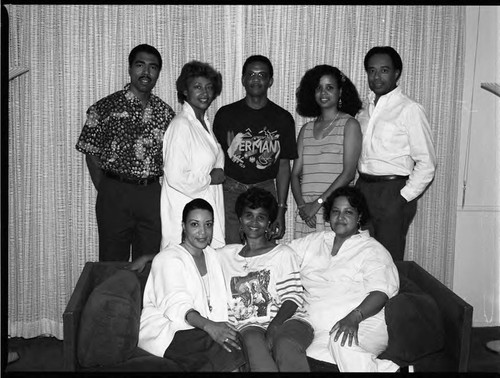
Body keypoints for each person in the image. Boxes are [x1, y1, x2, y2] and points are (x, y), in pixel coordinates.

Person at [76, 44, 175, 262]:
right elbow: (90, 152)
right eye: (140, 65)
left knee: (149, 263)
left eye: (153, 67)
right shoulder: (104, 108)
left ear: (158, 72)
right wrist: (106, 189)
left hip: (151, 194)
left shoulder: (166, 113)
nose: (146, 72)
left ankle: (142, 298)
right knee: (112, 262)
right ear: (130, 69)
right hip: (114, 192)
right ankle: (112, 297)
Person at [288, 186, 400, 372]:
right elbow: (282, 256)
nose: (341, 217)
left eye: (348, 212)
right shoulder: (314, 241)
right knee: (310, 359)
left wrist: (354, 317)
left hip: (362, 322)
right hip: (321, 329)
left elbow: (381, 292)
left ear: (359, 217)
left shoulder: (372, 250)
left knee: (340, 343)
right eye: (335, 211)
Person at [138, 199, 245, 372]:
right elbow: (177, 305)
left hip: (198, 328)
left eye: (208, 224)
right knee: (224, 349)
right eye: (195, 224)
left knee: (238, 341)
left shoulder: (212, 256)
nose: (203, 232)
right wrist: (211, 327)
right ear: (183, 226)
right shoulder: (168, 259)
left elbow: (241, 254)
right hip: (168, 330)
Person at [217, 187, 313, 372]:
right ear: (240, 219)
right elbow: (192, 253)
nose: (254, 222)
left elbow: (292, 298)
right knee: (252, 339)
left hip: (287, 321)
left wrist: (274, 328)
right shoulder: (225, 255)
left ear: (269, 222)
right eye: (248, 215)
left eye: (261, 217)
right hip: (249, 327)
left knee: (284, 344)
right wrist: (149, 257)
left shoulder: (282, 253)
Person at [356, 46, 436, 261]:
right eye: (371, 71)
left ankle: (392, 297)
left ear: (396, 73)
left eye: (384, 70)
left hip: (393, 191)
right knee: (361, 257)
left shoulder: (410, 109)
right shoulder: (364, 110)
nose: (377, 76)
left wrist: (402, 198)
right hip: (363, 188)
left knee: (388, 261)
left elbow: (427, 162)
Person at [213, 55, 298, 244]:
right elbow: (214, 160)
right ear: (243, 79)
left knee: (264, 254)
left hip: (266, 189)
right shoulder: (225, 115)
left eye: (262, 75)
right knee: (230, 251)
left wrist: (281, 210)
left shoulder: (282, 118)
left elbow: (284, 166)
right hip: (230, 190)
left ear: (270, 81)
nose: (256, 79)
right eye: (251, 74)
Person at [160, 60, 226, 251]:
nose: (204, 93)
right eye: (197, 87)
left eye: (209, 87)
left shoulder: (203, 122)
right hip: (187, 213)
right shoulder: (181, 125)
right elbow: (175, 176)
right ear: (185, 91)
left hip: (204, 211)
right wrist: (210, 178)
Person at [291, 65, 362, 238]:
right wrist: (302, 207)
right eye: (318, 88)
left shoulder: (349, 124)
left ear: (340, 92)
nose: (323, 93)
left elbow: (348, 174)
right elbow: (295, 175)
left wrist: (319, 203)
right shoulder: (306, 129)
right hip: (307, 214)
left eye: (329, 87)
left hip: (335, 210)